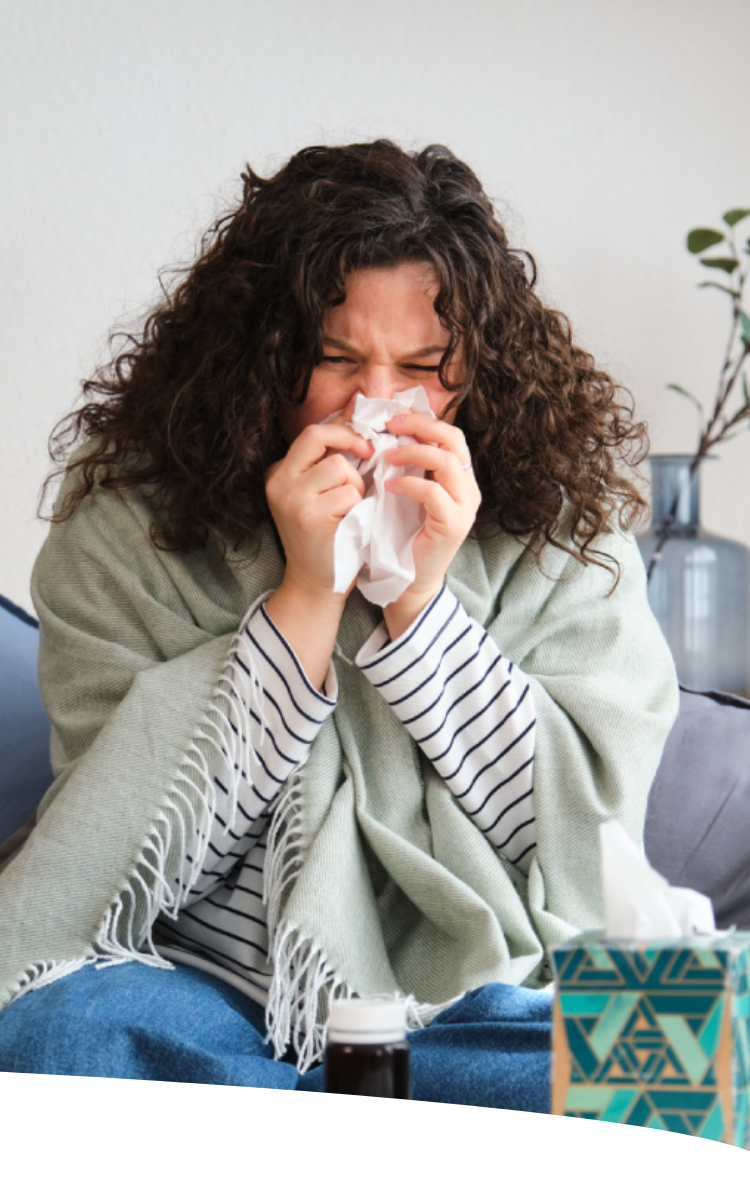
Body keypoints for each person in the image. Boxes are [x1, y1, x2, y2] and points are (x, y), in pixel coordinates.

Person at [0, 141, 678, 1107]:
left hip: (466, 995)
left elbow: (581, 845)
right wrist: (308, 598)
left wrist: (418, 606)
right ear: (262, 355)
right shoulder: (125, 528)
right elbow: (118, 853)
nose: (376, 404)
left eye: (422, 366)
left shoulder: (558, 533)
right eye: (335, 359)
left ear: (477, 373)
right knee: (54, 1039)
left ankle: (296, 1129)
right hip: (194, 989)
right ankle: (340, 1124)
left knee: (697, 1053)